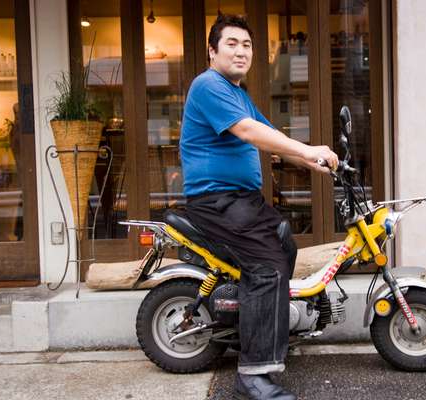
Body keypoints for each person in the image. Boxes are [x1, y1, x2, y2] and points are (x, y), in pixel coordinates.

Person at [180, 14, 338, 400]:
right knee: (266, 266)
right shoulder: (208, 85)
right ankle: (253, 373)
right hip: (216, 201)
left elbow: (270, 136)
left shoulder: (239, 94)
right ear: (212, 51)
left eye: (247, 45)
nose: (240, 51)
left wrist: (312, 161)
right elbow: (249, 132)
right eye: (231, 43)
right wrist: (307, 150)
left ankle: (271, 333)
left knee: (283, 242)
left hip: (241, 201)